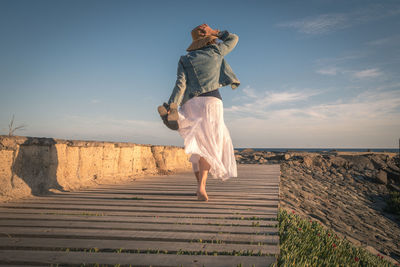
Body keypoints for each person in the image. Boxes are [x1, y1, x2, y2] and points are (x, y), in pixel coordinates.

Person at [158, 24, 240, 201]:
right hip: (211, 102)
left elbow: (180, 84)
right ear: (209, 40)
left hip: (190, 103)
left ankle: (199, 187)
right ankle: (202, 186)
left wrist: (174, 105)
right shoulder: (216, 52)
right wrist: (214, 32)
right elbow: (234, 39)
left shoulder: (185, 59)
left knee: (197, 145)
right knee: (210, 145)